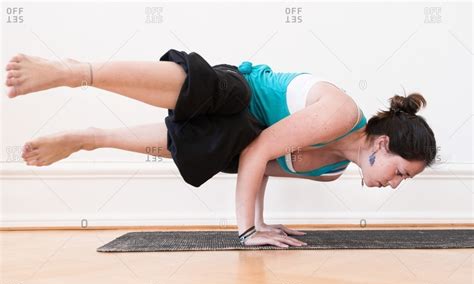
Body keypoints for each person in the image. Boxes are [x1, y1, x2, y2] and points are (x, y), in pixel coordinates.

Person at [5, 49, 437, 248]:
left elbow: (260, 165)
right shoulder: (342, 113)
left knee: (216, 150)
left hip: (241, 135)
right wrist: (247, 231)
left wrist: (264, 223)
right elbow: (259, 152)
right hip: (239, 91)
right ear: (383, 143)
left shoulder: (331, 172)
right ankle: (74, 71)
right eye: (401, 171)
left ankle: (88, 138)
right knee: (216, 96)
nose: (395, 184)